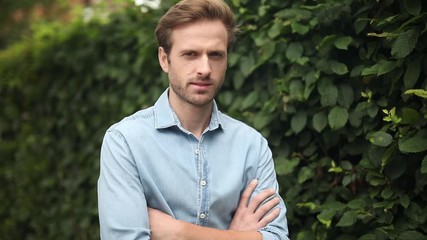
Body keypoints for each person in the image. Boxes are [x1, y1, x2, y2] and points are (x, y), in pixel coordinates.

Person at [97, 0, 289, 239]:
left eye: (216, 55)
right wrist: (237, 236)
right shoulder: (125, 141)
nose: (205, 68)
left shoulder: (252, 145)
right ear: (165, 59)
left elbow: (277, 236)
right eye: (190, 54)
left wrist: (178, 232)